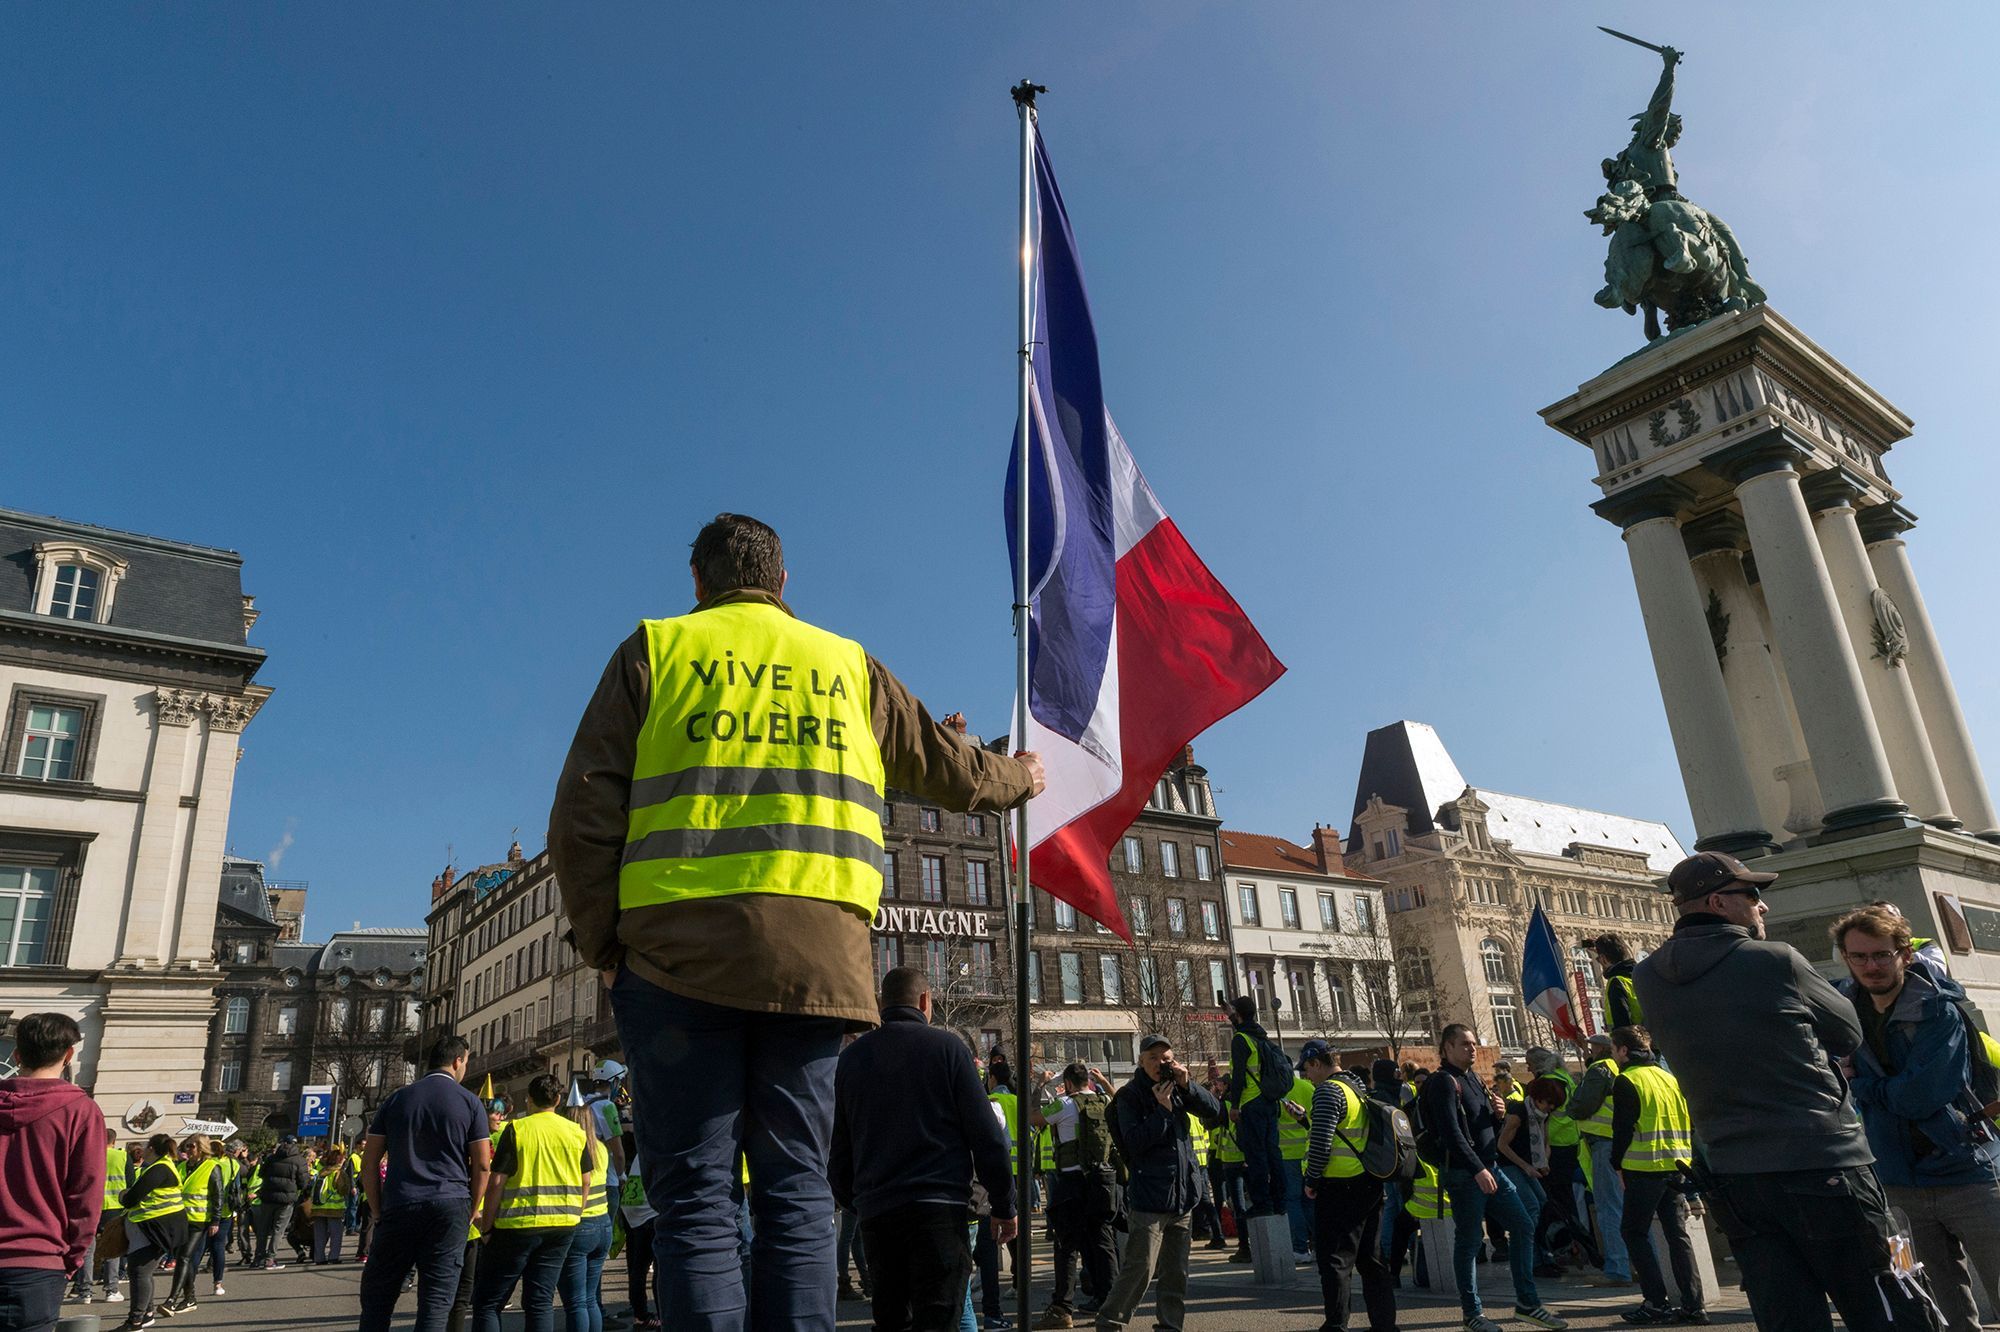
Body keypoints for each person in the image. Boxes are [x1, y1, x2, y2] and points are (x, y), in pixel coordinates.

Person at [549, 512, 1042, 1331]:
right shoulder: (848, 665)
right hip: (816, 972)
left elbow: (581, 813)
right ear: (783, 584)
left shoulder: (655, 650)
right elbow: (949, 770)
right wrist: (1020, 776)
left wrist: (605, 945)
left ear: (699, 585)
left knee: (699, 1204)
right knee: (796, 1195)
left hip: (674, 964)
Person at [1635, 850, 1920, 1332]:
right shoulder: (1776, 959)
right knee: (1896, 1294)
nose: (1762, 905)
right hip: (1828, 1162)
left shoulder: (1647, 975)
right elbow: (1847, 1032)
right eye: (1753, 894)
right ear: (1720, 902)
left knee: (1786, 1314)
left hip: (1735, 1177)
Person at [1833, 903, 2000, 1332]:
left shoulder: (1938, 1010)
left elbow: (1923, 1096)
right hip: (1893, 1185)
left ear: (1905, 954)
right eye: (1860, 956)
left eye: (1882, 954)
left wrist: (1862, 1085)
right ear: (1846, 958)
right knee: (1927, 1301)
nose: (1871, 966)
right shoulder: (1838, 1015)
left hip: (1966, 1170)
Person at [828, 965, 1015, 1331]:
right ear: (925, 1000)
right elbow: (987, 1136)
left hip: (879, 1212)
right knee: (940, 1317)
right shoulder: (948, 1049)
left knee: (892, 1319)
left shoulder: (851, 1059)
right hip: (939, 1209)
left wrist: (857, 1198)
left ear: (881, 1004)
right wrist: (1004, 1204)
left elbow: (838, 1145)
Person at [1417, 1023, 1568, 1332]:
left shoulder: (1473, 1078)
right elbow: (1451, 1133)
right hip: (1465, 1173)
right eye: (1464, 1044)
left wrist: (1496, 1113)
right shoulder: (1443, 1082)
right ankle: (1472, 1314)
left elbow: (1481, 1126)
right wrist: (1478, 1170)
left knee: (1524, 1224)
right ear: (1446, 1048)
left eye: (1473, 1044)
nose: (1471, 1049)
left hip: (1490, 1167)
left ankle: (1527, 1303)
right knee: (1470, 1241)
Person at [357, 1034, 493, 1332]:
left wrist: (378, 1210)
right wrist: (472, 1206)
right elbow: (483, 1164)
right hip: (450, 1203)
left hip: (400, 1203)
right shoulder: (470, 1102)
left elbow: (369, 1163)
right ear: (457, 1061)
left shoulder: (396, 1099)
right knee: (435, 1301)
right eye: (466, 1063)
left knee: (378, 1298)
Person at [1090, 1034, 1223, 1332]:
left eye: (1166, 1058)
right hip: (1150, 1197)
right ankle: (1109, 1322)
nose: (1160, 1064)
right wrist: (1162, 1111)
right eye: (1153, 1058)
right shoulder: (1130, 1096)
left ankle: (1170, 1326)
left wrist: (1189, 1086)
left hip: (1183, 1196)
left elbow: (1215, 1111)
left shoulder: (1178, 1088)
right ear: (1141, 1061)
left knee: (1176, 1272)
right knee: (1141, 1268)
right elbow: (1133, 1144)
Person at [0, 1012, 105, 1332]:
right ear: (68, 1054)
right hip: (37, 1263)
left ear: (17, 1055)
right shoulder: (81, 1111)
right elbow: (86, 1197)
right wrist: (70, 1261)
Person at [473, 1073, 590, 1332]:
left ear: (528, 1100)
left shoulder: (517, 1129)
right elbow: (586, 1181)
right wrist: (576, 1214)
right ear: (558, 1100)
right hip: (562, 1226)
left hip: (516, 1226)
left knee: (488, 1303)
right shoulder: (576, 1132)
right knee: (540, 1302)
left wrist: (487, 1227)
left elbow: (496, 1182)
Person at [1606, 1025, 1702, 1326]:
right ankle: (1693, 1305)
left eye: (1613, 1049)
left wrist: (1616, 1163)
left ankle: (1656, 1303)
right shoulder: (1667, 1077)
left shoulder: (1627, 1080)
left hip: (1643, 1167)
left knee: (1634, 1232)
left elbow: (1622, 1129)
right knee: (1677, 1235)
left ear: (1623, 1050)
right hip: (1676, 1166)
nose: (1613, 1055)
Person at [1298, 1040, 1397, 1332]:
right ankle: (1385, 1325)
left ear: (1316, 1063)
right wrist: (1306, 1121)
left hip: (1340, 1186)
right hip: (1368, 1182)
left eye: (1307, 1069)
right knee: (1371, 1259)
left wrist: (1311, 1179)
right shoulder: (1356, 1088)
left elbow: (1322, 1142)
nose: (1307, 1076)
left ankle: (1336, 1324)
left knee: (1335, 1261)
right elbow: (1345, 1133)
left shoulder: (1328, 1090)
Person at [1028, 1063, 1119, 1329]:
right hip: (1101, 1180)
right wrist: (1104, 1082)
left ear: (1068, 1083)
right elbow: (1119, 1101)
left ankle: (1061, 1308)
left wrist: (1040, 1086)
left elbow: (1034, 1117)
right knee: (1102, 1242)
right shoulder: (1105, 1100)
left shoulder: (1065, 1104)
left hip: (1071, 1183)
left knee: (1066, 1245)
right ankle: (1110, 1300)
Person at [1563, 1034, 1632, 1286]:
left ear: (1602, 1049)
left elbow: (1579, 1107)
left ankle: (1617, 1269)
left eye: (1589, 1048)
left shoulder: (1600, 1068)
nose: (1585, 1053)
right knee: (1629, 1209)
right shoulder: (1624, 1067)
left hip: (1604, 1144)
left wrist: (1572, 1103)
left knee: (1609, 1208)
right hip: (1627, 1145)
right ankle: (1636, 1265)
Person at [1496, 1079, 1566, 1288]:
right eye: (1547, 1103)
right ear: (1536, 1098)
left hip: (1530, 1165)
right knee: (1532, 1208)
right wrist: (1526, 1166)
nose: (1550, 1108)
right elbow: (1502, 1145)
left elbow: (1545, 1141)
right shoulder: (1518, 1112)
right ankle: (1534, 1260)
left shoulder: (1543, 1114)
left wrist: (1544, 1160)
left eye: (1553, 1105)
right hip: (1510, 1164)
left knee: (1543, 1203)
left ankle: (1545, 1256)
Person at [1224, 997, 1286, 1226]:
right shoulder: (1258, 1034)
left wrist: (1235, 1105)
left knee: (1256, 1155)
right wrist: (1232, 1015)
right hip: (1268, 1101)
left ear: (1238, 1013)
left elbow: (1239, 1076)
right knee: (1273, 1153)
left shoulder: (1240, 1040)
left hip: (1251, 1103)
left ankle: (1262, 1202)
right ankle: (1279, 1200)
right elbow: (1243, 1025)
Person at [118, 1132, 188, 1330]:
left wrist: (123, 1196)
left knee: (139, 1271)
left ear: (151, 1149)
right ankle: (146, 1314)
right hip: (158, 1228)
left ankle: (135, 1321)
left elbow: (132, 1198)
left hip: (157, 1229)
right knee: (143, 1272)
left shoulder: (159, 1169)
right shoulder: (163, 1166)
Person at [557, 1098, 613, 1332]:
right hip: (603, 1224)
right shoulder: (600, 1147)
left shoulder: (570, 1147)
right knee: (590, 1299)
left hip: (581, 1224)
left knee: (575, 1302)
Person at [160, 1133, 223, 1314]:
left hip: (199, 1220)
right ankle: (190, 1298)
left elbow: (218, 1195)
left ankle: (172, 1299)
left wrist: (215, 1220)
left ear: (201, 1147)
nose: (187, 1150)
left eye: (191, 1146)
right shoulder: (181, 1166)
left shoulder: (212, 1167)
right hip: (180, 1219)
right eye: (185, 1146)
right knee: (182, 1257)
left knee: (184, 1257)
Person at [70, 1126, 131, 1305]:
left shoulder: (90, 1154)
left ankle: (85, 1292)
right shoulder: (122, 1156)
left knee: (88, 1250)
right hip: (114, 1207)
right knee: (112, 1249)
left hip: (91, 1206)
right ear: (114, 1141)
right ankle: (111, 1290)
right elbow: (130, 1183)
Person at [251, 1136, 311, 1269]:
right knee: (279, 1229)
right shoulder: (299, 1160)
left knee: (263, 1229)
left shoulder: (272, 1157)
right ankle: (270, 1259)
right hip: (286, 1199)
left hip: (268, 1196)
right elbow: (304, 1182)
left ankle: (257, 1258)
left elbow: (261, 1173)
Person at [306, 1143, 351, 1264]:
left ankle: (319, 1258)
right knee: (336, 1235)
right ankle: (333, 1257)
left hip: (318, 1207)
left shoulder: (322, 1171)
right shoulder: (338, 1173)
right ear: (339, 1159)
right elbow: (343, 1189)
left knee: (320, 1235)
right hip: (334, 1209)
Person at [1588, 934, 1643, 1031]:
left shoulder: (1616, 982)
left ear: (1604, 958)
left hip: (1627, 1043)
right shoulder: (1640, 976)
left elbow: (1622, 1024)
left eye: (1598, 959)